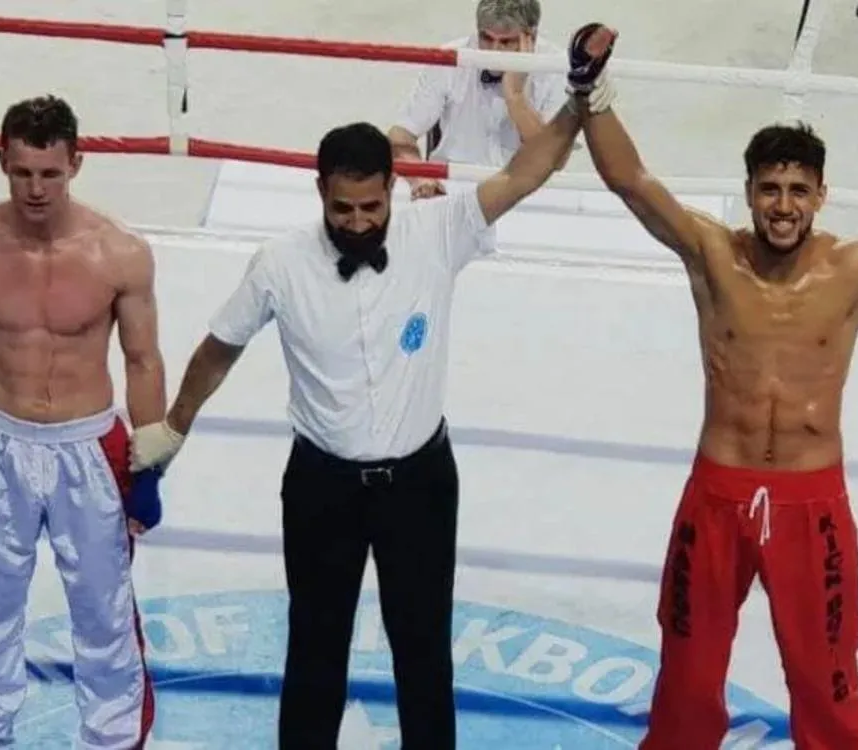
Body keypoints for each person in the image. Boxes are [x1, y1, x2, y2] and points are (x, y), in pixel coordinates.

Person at [126, 25, 616, 748]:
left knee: (424, 652)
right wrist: (175, 426)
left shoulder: (437, 230)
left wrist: (577, 99)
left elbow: (526, 171)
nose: (358, 223)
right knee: (314, 649)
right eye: (342, 209)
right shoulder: (280, 263)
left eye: (371, 207)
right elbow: (218, 349)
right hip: (321, 487)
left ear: (392, 187)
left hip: (420, 485)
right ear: (319, 192)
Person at [572, 43, 858, 750]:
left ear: (820, 195)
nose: (783, 206)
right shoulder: (712, 252)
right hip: (717, 494)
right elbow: (629, 179)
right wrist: (589, 89)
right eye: (770, 189)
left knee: (826, 674)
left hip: (811, 503)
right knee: (687, 670)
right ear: (749, 192)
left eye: (798, 190)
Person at [0, 95, 166, 749]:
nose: (36, 189)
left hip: (90, 446)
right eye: (23, 172)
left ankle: (113, 741)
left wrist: (149, 468)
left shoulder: (119, 252)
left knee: (105, 611)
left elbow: (142, 361)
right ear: (2, 160)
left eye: (50, 174)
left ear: (76, 164)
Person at [387, 0, 569, 201]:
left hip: (527, 190)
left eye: (506, 42)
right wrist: (420, 178)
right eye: (486, 38)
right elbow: (400, 136)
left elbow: (557, 159)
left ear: (531, 37)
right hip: (452, 188)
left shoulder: (556, 68)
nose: (493, 50)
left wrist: (515, 96)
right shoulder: (449, 58)